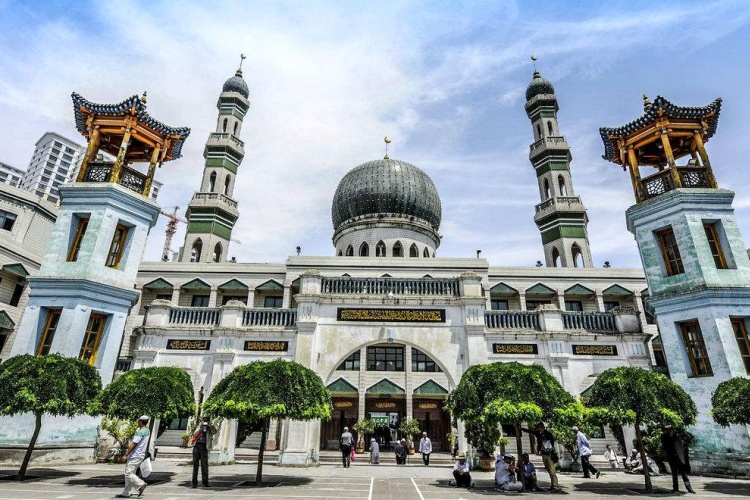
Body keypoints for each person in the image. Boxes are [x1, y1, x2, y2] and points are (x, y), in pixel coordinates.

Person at [115, 415, 150, 498]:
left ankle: (141, 484)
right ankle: (125, 493)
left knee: (128, 473)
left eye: (138, 421)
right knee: (130, 474)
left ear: (141, 421)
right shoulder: (147, 431)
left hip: (135, 455)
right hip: (140, 455)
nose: (137, 422)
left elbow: (134, 444)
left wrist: (126, 454)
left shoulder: (140, 432)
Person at [521, 421, 560, 491]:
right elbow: (531, 431)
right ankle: (553, 485)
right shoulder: (538, 434)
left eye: (539, 428)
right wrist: (522, 429)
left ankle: (555, 486)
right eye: (538, 428)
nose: (538, 429)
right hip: (543, 454)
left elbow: (551, 444)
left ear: (542, 427)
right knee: (548, 469)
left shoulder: (548, 434)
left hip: (549, 455)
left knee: (552, 470)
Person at [662, 425, 695, 494]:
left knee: (684, 474)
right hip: (672, 458)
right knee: (674, 474)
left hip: (679, 458)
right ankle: (675, 489)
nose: (670, 431)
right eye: (668, 430)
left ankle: (689, 488)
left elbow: (681, 447)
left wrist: (683, 457)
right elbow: (665, 447)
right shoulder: (665, 437)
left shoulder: (677, 437)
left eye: (670, 430)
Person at [191, 416, 216, 488]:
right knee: (195, 465)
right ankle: (194, 483)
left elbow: (214, 432)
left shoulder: (209, 427)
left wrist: (210, 426)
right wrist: (200, 427)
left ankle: (205, 482)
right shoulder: (199, 426)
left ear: (209, 421)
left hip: (204, 447)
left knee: (204, 466)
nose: (205, 422)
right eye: (204, 420)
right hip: (197, 446)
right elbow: (195, 434)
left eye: (206, 420)